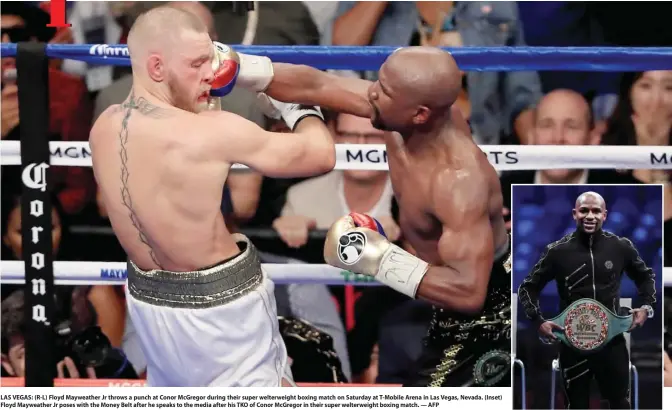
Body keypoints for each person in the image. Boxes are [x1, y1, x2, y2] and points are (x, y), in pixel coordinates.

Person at [220, 45, 511, 386]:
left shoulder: (457, 181)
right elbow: (318, 85)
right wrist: (238, 66)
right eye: (379, 81)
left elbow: (469, 292)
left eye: (384, 90)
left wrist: (376, 257)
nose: (372, 91)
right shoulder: (396, 111)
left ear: (419, 113)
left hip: (485, 316)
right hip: (443, 300)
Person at [89, 6, 336, 387]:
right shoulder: (214, 131)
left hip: (150, 304)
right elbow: (321, 155)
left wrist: (199, 98)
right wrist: (298, 106)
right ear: (157, 67)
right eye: (199, 62)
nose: (214, 72)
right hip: (223, 309)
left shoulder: (104, 125)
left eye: (213, 57)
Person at [518, 191, 656, 409]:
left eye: (595, 211)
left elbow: (646, 276)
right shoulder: (557, 252)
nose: (589, 216)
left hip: (612, 343)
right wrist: (538, 320)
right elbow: (528, 287)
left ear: (605, 215)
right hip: (572, 346)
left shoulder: (620, 247)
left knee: (620, 403)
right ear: (574, 214)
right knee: (577, 405)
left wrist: (647, 306)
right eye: (584, 210)